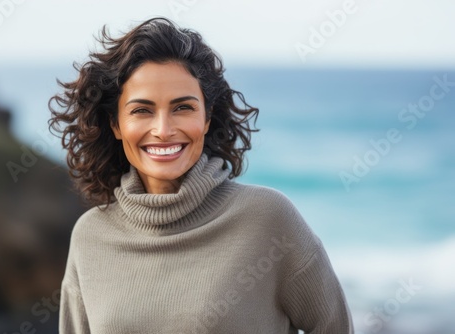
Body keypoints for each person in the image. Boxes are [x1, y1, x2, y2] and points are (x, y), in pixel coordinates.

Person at [49, 17, 354, 334]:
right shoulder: (91, 237)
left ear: (207, 118)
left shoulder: (268, 218)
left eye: (182, 108)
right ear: (115, 125)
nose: (164, 130)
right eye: (142, 110)